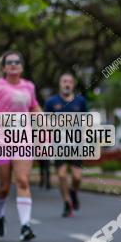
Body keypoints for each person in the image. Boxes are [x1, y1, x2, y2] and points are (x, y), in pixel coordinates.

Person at [0, 51, 41, 241]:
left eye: (17, 62)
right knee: (4, 186)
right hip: (1, 140)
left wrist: (41, 119)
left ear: (21, 66)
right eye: (9, 62)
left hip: (23, 139)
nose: (13, 65)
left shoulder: (29, 86)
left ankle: (25, 226)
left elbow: (34, 107)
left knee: (22, 180)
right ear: (4, 67)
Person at [44, 73, 88, 217]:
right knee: (62, 175)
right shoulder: (51, 102)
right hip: (58, 144)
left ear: (73, 84)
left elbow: (85, 122)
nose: (67, 84)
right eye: (64, 81)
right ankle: (67, 203)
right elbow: (45, 123)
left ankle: (74, 192)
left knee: (77, 177)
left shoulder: (80, 101)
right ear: (60, 84)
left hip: (76, 144)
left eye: (69, 81)